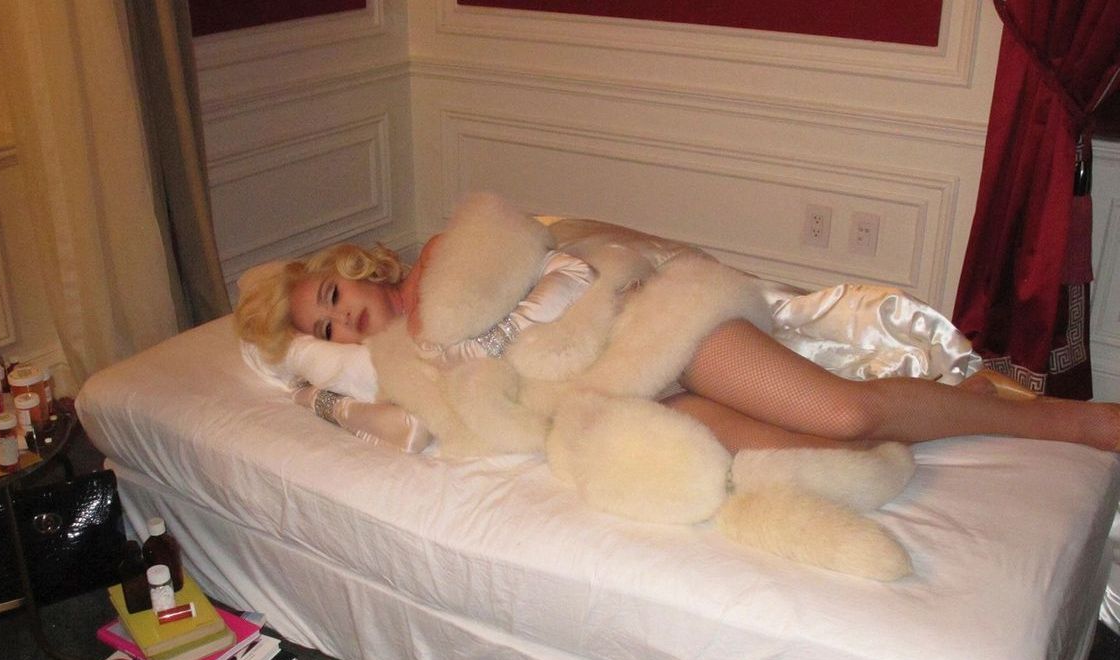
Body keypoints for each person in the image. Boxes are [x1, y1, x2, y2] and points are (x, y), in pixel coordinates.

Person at [235, 207, 1120, 457]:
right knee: (825, 453)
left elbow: (549, 271)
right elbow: (409, 429)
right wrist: (314, 388)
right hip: (621, 400)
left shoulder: (440, 255)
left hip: (654, 328)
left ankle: (1074, 421)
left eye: (329, 294)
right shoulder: (395, 365)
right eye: (324, 327)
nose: (340, 317)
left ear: (352, 267)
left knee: (845, 414)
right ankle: (961, 406)